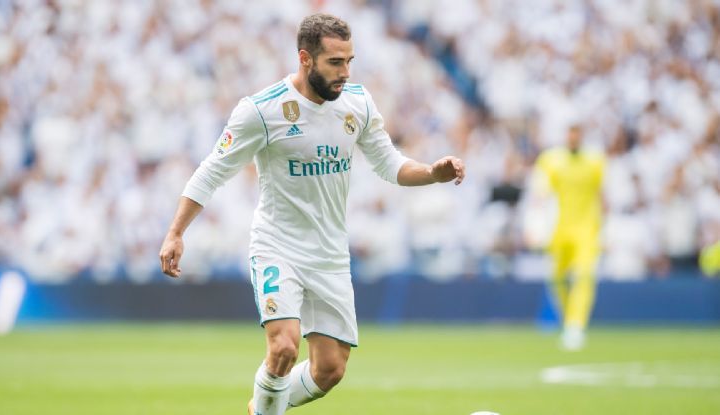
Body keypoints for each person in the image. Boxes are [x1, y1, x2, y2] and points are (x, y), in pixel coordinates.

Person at [158, 14, 465, 415]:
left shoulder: (357, 103)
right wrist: (176, 232)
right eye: (335, 62)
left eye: (349, 61)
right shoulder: (262, 111)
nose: (345, 73)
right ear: (305, 59)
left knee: (330, 369)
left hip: (330, 254)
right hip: (277, 246)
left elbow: (389, 164)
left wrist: (432, 173)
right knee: (284, 346)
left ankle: (261, 407)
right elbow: (211, 170)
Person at [535, 125, 605, 351]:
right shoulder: (551, 160)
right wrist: (536, 226)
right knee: (556, 278)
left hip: (587, 229)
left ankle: (575, 325)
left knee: (584, 276)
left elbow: (602, 194)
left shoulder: (595, 161)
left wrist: (607, 228)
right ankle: (568, 320)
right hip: (559, 229)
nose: (573, 136)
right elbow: (540, 194)